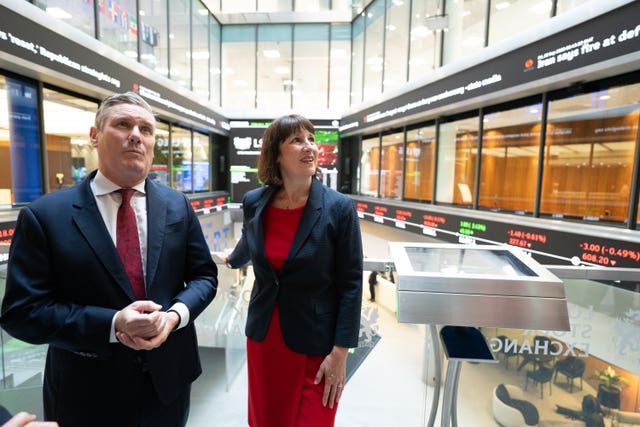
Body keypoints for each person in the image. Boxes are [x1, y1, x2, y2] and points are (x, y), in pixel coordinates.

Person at [0, 92, 218, 427]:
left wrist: (174, 317)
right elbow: (21, 312)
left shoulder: (177, 206)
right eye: (123, 124)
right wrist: (113, 323)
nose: (135, 135)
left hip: (167, 384)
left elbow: (204, 276)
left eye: (145, 129)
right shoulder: (46, 216)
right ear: (93, 136)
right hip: (85, 392)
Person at [225, 114, 363, 427]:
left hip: (317, 344)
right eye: (297, 140)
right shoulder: (254, 202)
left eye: (312, 140)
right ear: (276, 153)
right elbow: (251, 240)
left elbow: (351, 283)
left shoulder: (339, 208)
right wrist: (233, 259)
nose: (310, 147)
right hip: (265, 338)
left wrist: (341, 352)